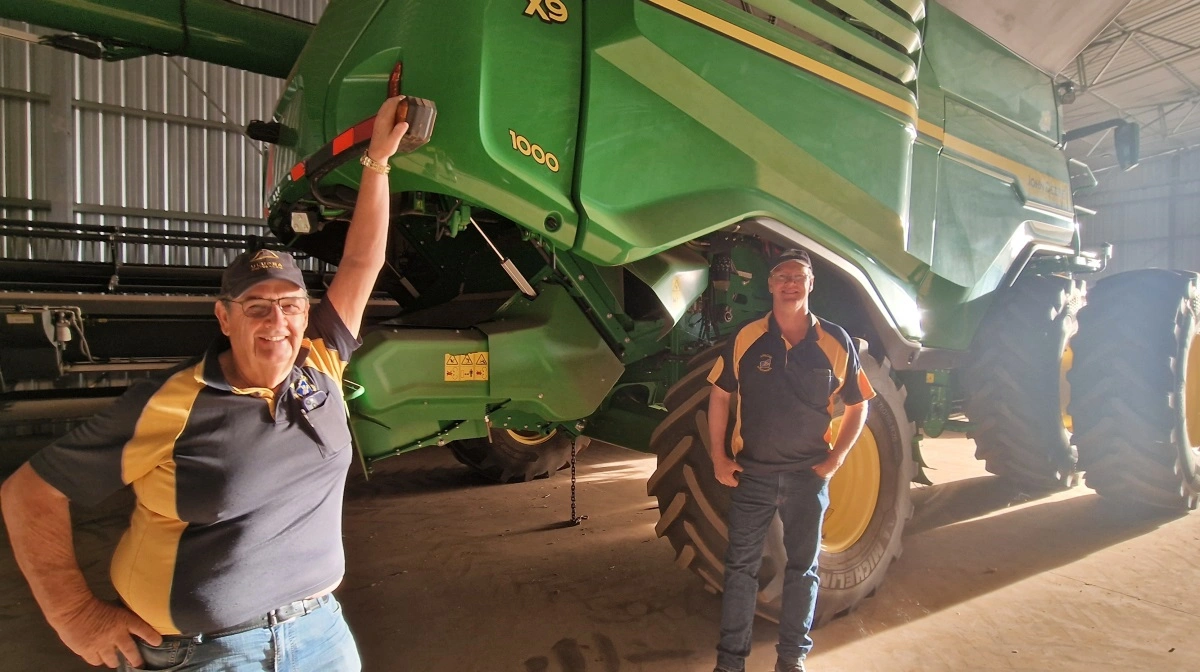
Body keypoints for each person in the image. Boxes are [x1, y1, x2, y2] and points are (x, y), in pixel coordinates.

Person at [0, 96, 411, 671]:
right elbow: (29, 492)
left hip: (321, 636)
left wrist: (378, 162)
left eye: (290, 306)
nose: (277, 322)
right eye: (257, 307)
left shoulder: (320, 360)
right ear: (224, 317)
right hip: (208, 656)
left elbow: (363, 262)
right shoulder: (170, 404)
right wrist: (76, 617)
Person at [707, 248, 874, 672]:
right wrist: (718, 457)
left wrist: (835, 460)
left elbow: (859, 405)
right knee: (740, 570)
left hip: (807, 477)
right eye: (781, 275)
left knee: (803, 570)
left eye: (798, 275)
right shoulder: (746, 336)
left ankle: (792, 659)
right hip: (753, 476)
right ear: (770, 285)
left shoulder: (837, 341)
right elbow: (720, 395)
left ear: (810, 283)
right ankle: (730, 664)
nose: (790, 282)